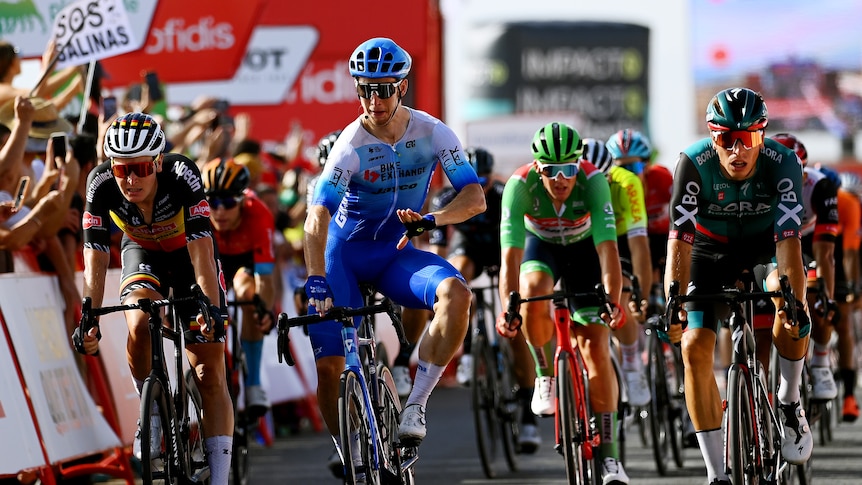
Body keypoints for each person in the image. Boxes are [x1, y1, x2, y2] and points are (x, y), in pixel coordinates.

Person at [303, 37, 485, 475]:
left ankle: (415, 405)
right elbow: (317, 216)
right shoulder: (349, 144)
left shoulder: (432, 131)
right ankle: (347, 450)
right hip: (343, 257)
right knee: (331, 369)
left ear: (402, 87)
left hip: (395, 251)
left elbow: (475, 197)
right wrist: (315, 278)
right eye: (364, 89)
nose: (373, 99)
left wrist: (433, 220)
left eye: (383, 89)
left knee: (457, 296)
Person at [72, 113, 234, 485]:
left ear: (158, 162)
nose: (130, 179)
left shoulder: (182, 175)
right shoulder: (99, 183)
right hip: (142, 253)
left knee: (208, 369)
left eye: (142, 168)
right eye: (121, 169)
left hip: (189, 257)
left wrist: (209, 305)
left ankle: (221, 477)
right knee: (139, 320)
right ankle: (153, 418)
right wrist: (88, 314)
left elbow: (203, 253)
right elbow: (94, 256)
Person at [664, 87, 813, 485]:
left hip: (766, 249)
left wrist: (791, 300)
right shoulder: (693, 163)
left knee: (791, 307)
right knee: (693, 347)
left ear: (762, 137)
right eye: (726, 138)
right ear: (713, 139)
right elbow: (678, 240)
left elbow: (789, 244)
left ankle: (789, 400)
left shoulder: (783, 163)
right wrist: (672, 301)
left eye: (747, 138)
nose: (737, 149)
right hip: (708, 254)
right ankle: (716, 474)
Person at [496, 122, 628, 484]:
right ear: (538, 168)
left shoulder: (594, 181)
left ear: (578, 164)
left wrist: (612, 301)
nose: (561, 178)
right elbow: (510, 258)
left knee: (596, 349)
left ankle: (611, 458)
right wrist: (508, 308)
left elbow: (608, 249)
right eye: (551, 171)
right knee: (532, 292)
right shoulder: (519, 186)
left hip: (585, 252)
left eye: (568, 169)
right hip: (543, 250)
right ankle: (544, 375)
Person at [425, 146, 541, 452]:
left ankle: (528, 416)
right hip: (470, 249)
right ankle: (466, 354)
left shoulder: (504, 194)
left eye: (485, 180)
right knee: (455, 276)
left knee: (514, 322)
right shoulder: (445, 198)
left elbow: (521, 245)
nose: (481, 186)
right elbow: (438, 259)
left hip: (502, 247)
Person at [202, 157, 276, 417]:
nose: (220, 211)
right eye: (213, 203)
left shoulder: (259, 215)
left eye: (228, 203)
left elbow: (265, 279)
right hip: (213, 260)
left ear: (242, 201)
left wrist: (264, 309)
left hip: (244, 262)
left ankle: (253, 383)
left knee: (249, 296)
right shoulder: (198, 216)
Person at [770, 133, 840, 402]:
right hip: (775, 238)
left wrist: (828, 297)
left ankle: (821, 361)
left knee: (817, 293)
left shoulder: (819, 187)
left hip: (810, 239)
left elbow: (826, 254)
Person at [587, 136, 653, 409]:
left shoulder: (627, 182)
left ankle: (631, 360)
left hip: (622, 239)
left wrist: (641, 296)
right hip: (585, 241)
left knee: (622, 293)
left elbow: (639, 246)